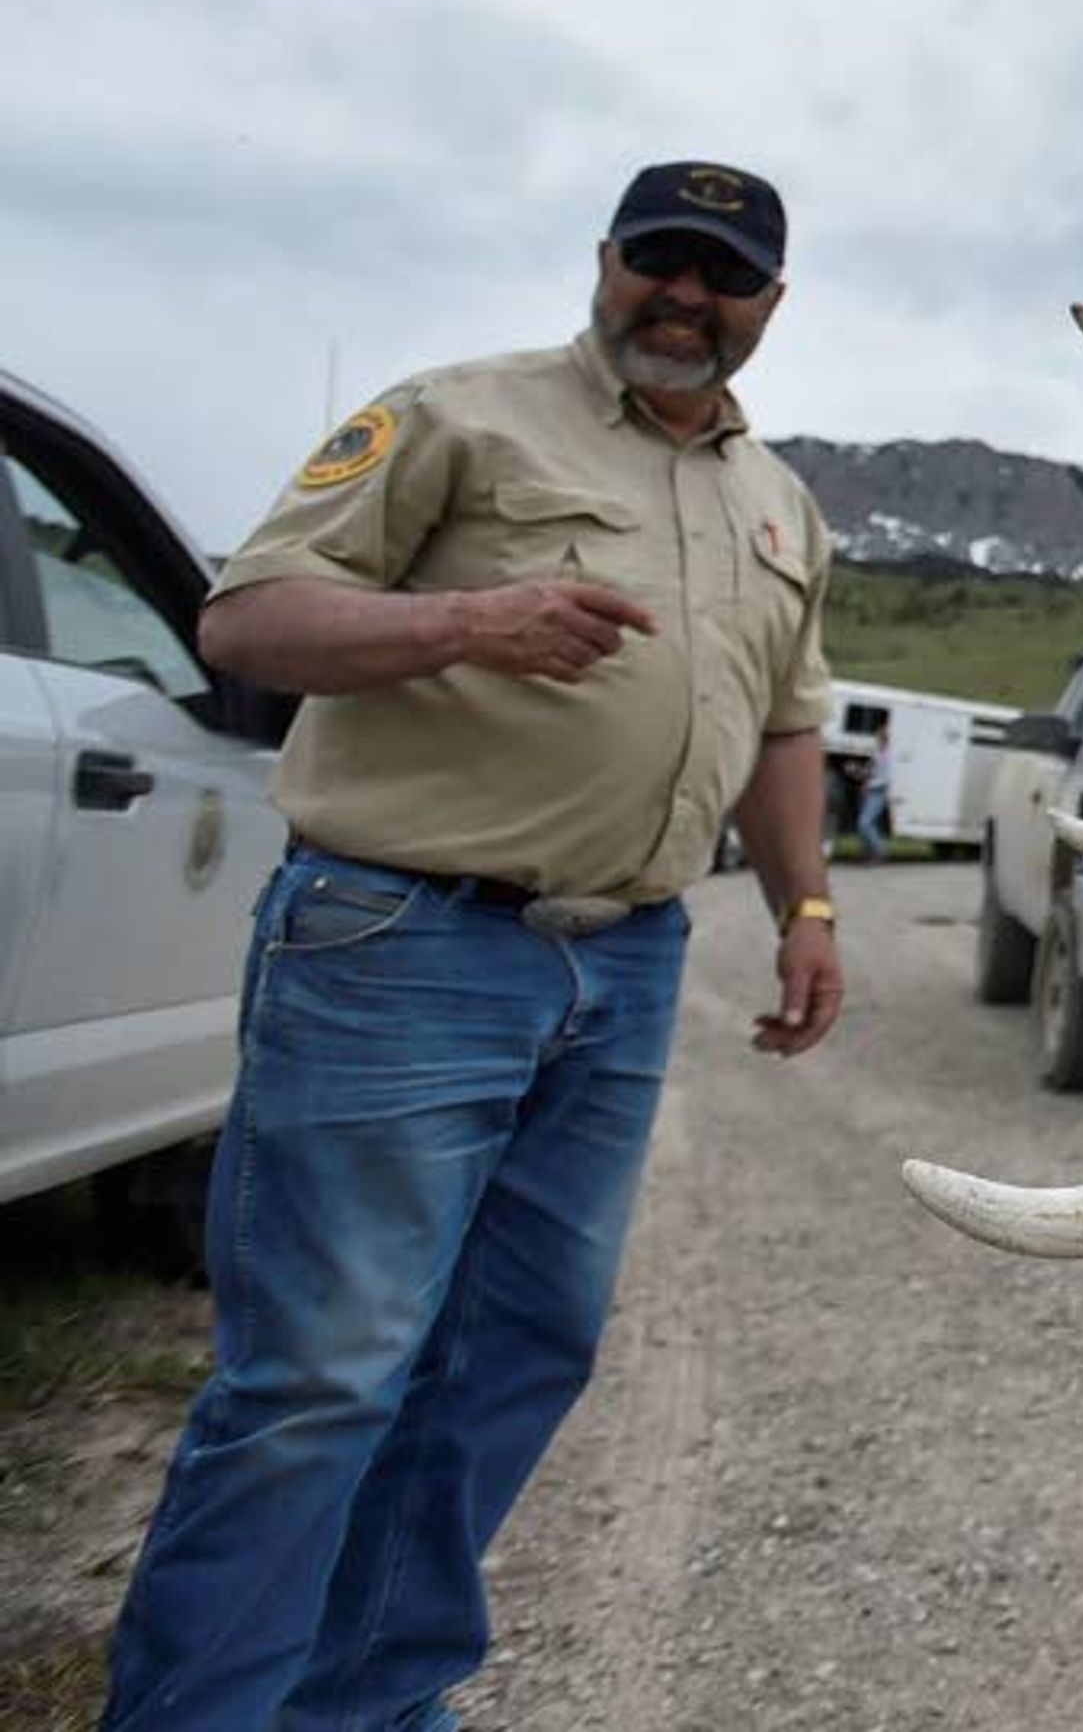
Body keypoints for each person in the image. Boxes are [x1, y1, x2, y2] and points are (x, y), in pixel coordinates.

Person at [106, 161, 851, 1732]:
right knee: (322, 1378)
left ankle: (367, 1700)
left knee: (515, 1353)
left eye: (722, 276)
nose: (684, 296)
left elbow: (788, 726)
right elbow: (246, 622)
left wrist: (808, 907)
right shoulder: (457, 415)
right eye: (659, 259)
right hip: (399, 946)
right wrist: (466, 623)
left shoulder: (781, 505)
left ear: (769, 307)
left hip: (625, 967)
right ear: (605, 263)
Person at [854, 732, 894, 864]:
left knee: (864, 823)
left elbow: (886, 779)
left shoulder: (888, 756)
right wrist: (857, 771)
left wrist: (868, 784)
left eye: (879, 739)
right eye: (877, 739)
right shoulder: (877, 754)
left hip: (879, 792)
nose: (877, 741)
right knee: (867, 824)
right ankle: (869, 854)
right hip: (871, 792)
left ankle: (881, 849)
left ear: (885, 740)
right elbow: (869, 771)